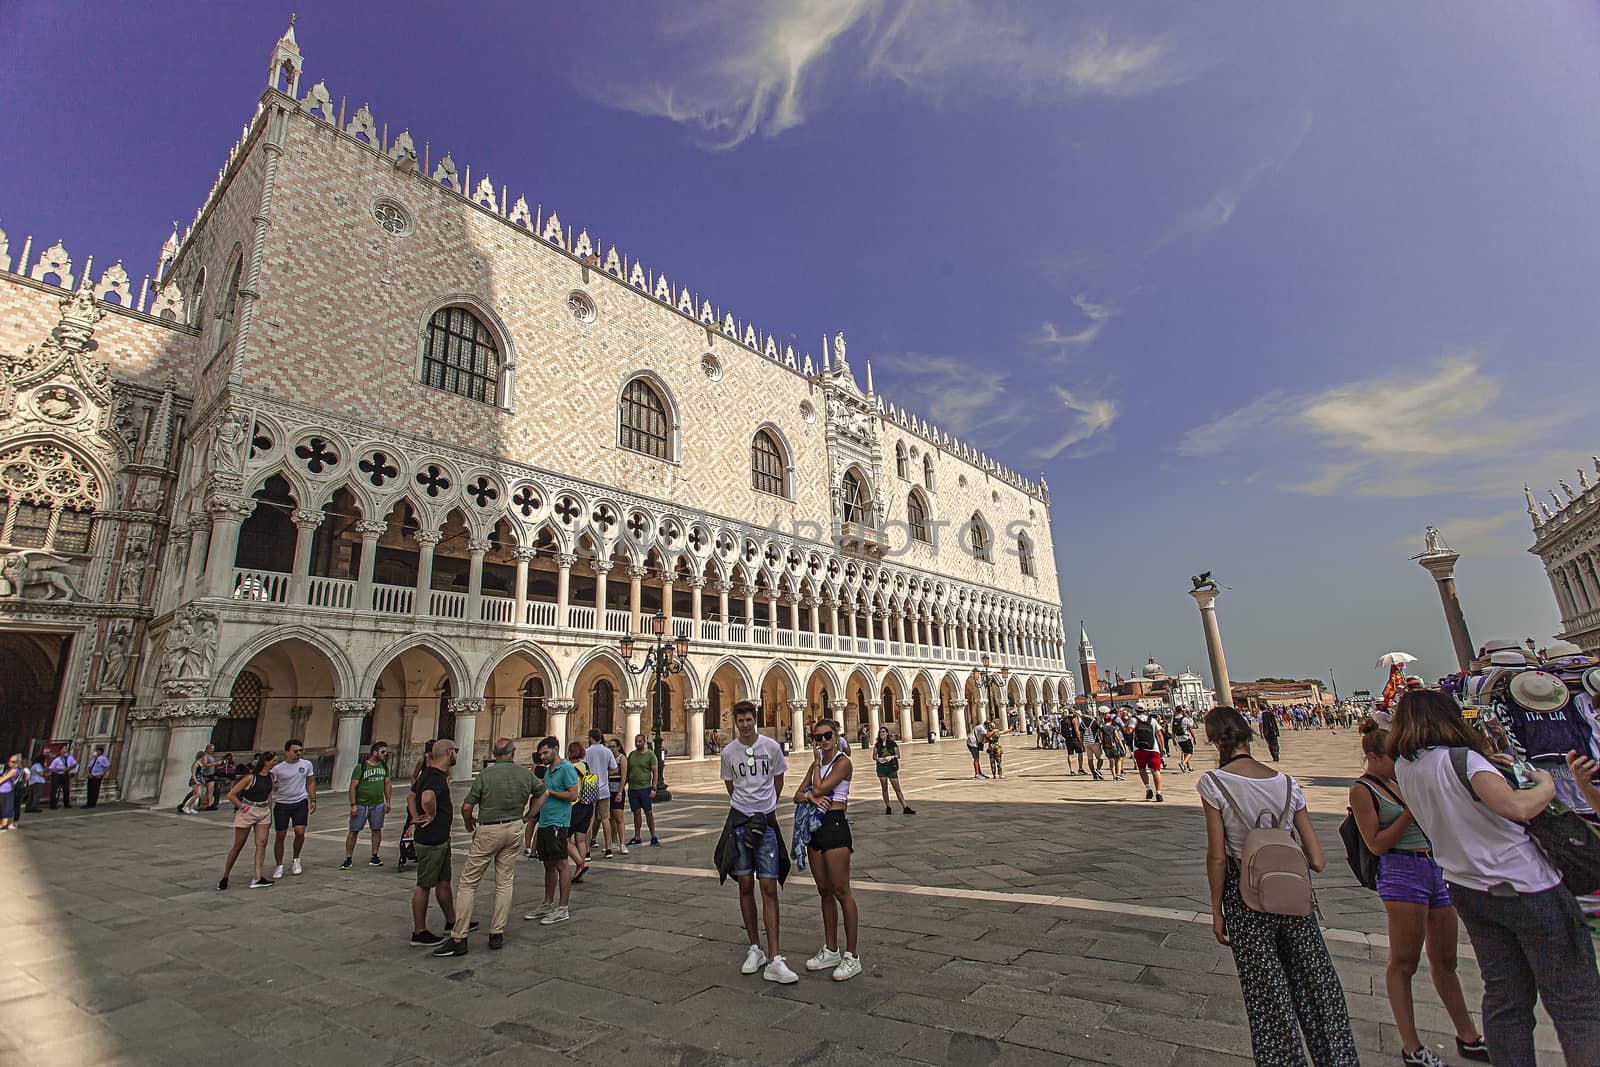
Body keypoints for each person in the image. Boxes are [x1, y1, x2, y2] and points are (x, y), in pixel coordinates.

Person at [1391, 689, 1600, 1066]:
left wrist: (1489, 767)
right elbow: (1516, 808)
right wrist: (1547, 786)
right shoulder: (1464, 760)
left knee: (1506, 999)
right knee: (1575, 1001)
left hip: (1469, 887)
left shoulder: (1406, 767)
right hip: (1526, 886)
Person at [1198, 706, 1358, 1066]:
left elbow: (1217, 856)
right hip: (1293, 896)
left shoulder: (1214, 783)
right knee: (1319, 988)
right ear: (1250, 735)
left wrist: (1216, 908)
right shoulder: (1287, 783)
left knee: (1267, 997)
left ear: (1213, 740)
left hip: (1244, 898)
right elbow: (1317, 859)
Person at [1348, 721, 1486, 1066]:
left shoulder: (1402, 780)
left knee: (1446, 960)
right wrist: (1411, 811)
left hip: (1434, 867)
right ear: (1372, 757)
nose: (1397, 763)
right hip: (1400, 871)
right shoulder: (1363, 790)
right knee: (1403, 961)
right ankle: (1411, 1045)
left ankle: (1468, 1035)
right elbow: (1376, 844)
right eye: (1391, 757)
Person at [435, 737, 540, 956]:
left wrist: (467, 821)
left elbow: (466, 806)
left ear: (494, 753)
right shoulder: (524, 773)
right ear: (513, 752)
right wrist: (529, 816)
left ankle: (459, 936)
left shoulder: (486, 775)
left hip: (489, 830)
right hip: (513, 829)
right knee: (504, 882)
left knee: (468, 883)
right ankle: (497, 933)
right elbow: (543, 793)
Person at [714, 700, 795, 984]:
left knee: (769, 886)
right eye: (740, 721)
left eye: (749, 719)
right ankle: (755, 948)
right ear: (735, 722)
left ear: (755, 720)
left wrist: (765, 805)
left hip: (766, 822)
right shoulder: (728, 752)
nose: (745, 724)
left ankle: (774, 957)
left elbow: (779, 780)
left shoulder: (772, 748)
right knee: (745, 883)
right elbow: (730, 786)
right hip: (739, 822)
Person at [794, 719, 862, 981]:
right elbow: (799, 794)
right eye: (817, 737)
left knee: (841, 891)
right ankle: (831, 948)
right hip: (815, 828)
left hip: (834, 825)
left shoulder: (843, 762)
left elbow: (821, 787)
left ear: (836, 737)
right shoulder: (816, 764)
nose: (821, 741)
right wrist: (810, 795)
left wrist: (814, 785)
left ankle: (852, 955)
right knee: (823, 890)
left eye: (826, 736)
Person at [409, 739, 474, 946]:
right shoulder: (435, 777)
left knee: (443, 881)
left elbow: (411, 796)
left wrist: (414, 816)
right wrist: (431, 814)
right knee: (424, 885)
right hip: (432, 839)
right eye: (456, 750)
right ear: (448, 752)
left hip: (439, 838)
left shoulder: (428, 773)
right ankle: (419, 932)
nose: (457, 754)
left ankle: (452, 920)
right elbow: (426, 798)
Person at [524, 735, 581, 926]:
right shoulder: (549, 771)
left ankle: (562, 907)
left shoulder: (566, 769)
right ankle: (547, 903)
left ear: (556, 748)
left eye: (545, 752)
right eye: (540, 754)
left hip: (559, 822)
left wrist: (549, 793)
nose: (542, 757)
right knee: (548, 863)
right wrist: (530, 815)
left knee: (561, 864)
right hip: (546, 822)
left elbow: (573, 795)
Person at [219, 751, 278, 890]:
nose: (276, 763)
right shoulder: (250, 777)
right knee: (238, 845)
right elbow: (231, 794)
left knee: (261, 843)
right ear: (266, 762)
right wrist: (242, 807)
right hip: (248, 809)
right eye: (274, 761)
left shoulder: (270, 776)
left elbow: (269, 795)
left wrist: (269, 812)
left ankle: (257, 877)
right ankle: (225, 875)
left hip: (263, 811)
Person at [341, 741, 392, 870]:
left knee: (376, 829)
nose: (385, 754)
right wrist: (353, 804)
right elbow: (353, 787)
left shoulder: (384, 767)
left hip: (378, 804)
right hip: (361, 804)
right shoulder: (361, 767)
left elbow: (387, 784)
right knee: (354, 830)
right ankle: (348, 858)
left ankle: (375, 855)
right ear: (374, 752)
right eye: (382, 752)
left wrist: (388, 801)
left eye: (385, 752)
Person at [270, 739, 316, 879]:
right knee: (281, 835)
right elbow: (272, 786)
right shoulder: (278, 769)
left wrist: (313, 799)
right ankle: (279, 865)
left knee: (300, 831)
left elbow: (310, 782)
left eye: (300, 751)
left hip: (300, 801)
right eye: (295, 751)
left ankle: (296, 859)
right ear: (287, 752)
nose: (298, 753)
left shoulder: (306, 764)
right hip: (283, 803)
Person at [584, 729, 620, 859]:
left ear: (591, 738)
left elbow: (583, 768)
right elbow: (615, 769)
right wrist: (605, 774)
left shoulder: (587, 752)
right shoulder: (607, 751)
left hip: (589, 786)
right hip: (604, 788)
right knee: (605, 819)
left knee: (589, 819)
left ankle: (587, 850)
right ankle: (608, 848)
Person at [565, 741, 597, 882]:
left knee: (563, 838)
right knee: (581, 839)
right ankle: (579, 872)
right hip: (587, 805)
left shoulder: (569, 768)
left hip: (575, 805)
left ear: (570, 753)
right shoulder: (585, 766)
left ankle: (580, 863)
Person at [625, 733, 660, 847]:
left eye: (640, 741)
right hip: (633, 789)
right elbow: (628, 771)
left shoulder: (650, 755)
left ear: (644, 742)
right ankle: (637, 836)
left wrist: (654, 788)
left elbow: (655, 772)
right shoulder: (632, 755)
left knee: (649, 813)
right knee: (636, 813)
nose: (637, 743)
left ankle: (653, 836)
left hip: (645, 788)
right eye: (636, 741)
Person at [872, 726, 915, 815]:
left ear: (887, 733)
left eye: (883, 732)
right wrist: (878, 759)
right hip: (881, 768)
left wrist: (891, 757)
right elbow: (874, 756)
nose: (882, 734)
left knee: (897, 788)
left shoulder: (892, 744)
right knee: (884, 789)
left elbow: (898, 755)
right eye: (880, 732)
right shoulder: (877, 745)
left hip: (891, 767)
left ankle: (905, 807)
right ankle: (888, 806)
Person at [1131, 710, 1166, 802]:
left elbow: (1129, 731)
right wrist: (1163, 747)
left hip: (1139, 749)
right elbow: (1160, 734)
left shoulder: (1133, 720)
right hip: (1153, 748)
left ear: (1136, 710)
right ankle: (1159, 793)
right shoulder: (1153, 720)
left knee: (1142, 769)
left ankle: (1148, 788)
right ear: (1144, 710)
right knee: (1156, 771)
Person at [605, 737, 629, 856]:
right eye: (609, 746)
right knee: (610, 818)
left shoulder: (622, 758)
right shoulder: (608, 758)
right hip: (607, 790)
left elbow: (624, 777)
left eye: (613, 746)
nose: (611, 749)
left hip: (617, 790)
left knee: (619, 818)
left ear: (618, 747)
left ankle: (622, 843)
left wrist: (620, 792)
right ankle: (613, 841)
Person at [178, 750, 206, 815]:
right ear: (201, 756)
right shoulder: (196, 764)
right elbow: (193, 773)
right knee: (198, 794)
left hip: (199, 780)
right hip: (195, 780)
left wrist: (202, 779)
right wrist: (196, 781)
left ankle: (190, 808)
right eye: (204, 756)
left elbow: (201, 773)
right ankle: (186, 806)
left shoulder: (201, 763)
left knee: (194, 794)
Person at [1099, 715, 1126, 781]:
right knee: (1118, 759)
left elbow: (1101, 739)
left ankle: (1114, 775)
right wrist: (1122, 747)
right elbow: (1118, 738)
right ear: (1110, 720)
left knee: (1111, 760)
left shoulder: (1102, 728)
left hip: (1106, 746)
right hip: (1114, 746)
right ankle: (1118, 774)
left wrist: (1103, 746)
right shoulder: (1113, 728)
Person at [1172, 709, 1196, 773]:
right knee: (1190, 752)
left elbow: (1173, 731)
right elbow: (1190, 729)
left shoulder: (1173, 720)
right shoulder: (1185, 719)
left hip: (1178, 739)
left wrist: (1173, 739)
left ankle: (1189, 767)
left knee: (1185, 752)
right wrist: (1194, 737)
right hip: (1185, 737)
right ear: (1182, 711)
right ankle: (1183, 763)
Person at [0, 754, 19, 830]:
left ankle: (4, 825)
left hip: (8, 791)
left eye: (13, 761)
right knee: (1, 808)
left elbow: (3, 779)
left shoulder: (15, 770)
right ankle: (1, 824)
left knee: (5, 808)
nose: (11, 763)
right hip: (2, 791)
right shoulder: (8, 770)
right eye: (10, 761)